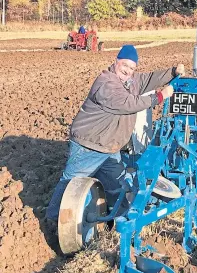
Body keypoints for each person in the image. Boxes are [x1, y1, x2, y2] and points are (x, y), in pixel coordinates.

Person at [46, 44, 185, 222]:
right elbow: (128, 103)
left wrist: (172, 72)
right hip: (89, 145)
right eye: (125, 65)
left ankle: (116, 221)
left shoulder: (131, 81)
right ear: (116, 61)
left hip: (110, 148)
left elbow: (149, 78)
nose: (128, 70)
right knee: (70, 185)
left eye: (132, 68)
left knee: (116, 185)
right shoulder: (107, 82)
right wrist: (159, 96)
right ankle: (53, 222)